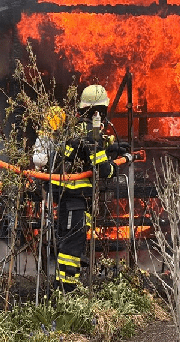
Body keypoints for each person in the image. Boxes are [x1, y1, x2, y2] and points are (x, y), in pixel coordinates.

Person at [50, 84, 130, 292]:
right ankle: (66, 292)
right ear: (98, 111)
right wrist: (122, 161)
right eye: (103, 111)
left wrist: (111, 148)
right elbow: (103, 169)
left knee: (72, 245)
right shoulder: (90, 134)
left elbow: (85, 152)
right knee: (71, 248)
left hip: (73, 198)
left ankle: (65, 290)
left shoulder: (79, 128)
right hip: (73, 197)